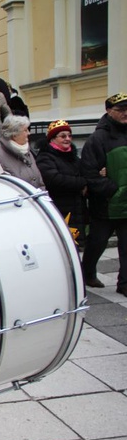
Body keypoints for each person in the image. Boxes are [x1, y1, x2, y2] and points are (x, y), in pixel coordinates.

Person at [80, 92, 127, 294]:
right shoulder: (97, 139)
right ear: (108, 111)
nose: (125, 113)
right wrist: (112, 191)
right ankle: (87, 273)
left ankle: (124, 284)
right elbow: (90, 173)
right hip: (106, 205)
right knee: (97, 244)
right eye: (120, 110)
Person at [36, 120, 87, 247]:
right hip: (60, 208)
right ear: (52, 139)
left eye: (69, 136)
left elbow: (86, 172)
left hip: (76, 210)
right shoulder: (45, 157)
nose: (67, 139)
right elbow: (55, 179)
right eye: (63, 136)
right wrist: (82, 183)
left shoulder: (73, 157)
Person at [0, 115, 44, 189]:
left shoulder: (26, 150)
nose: (29, 133)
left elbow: (40, 181)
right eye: (25, 130)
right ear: (14, 135)